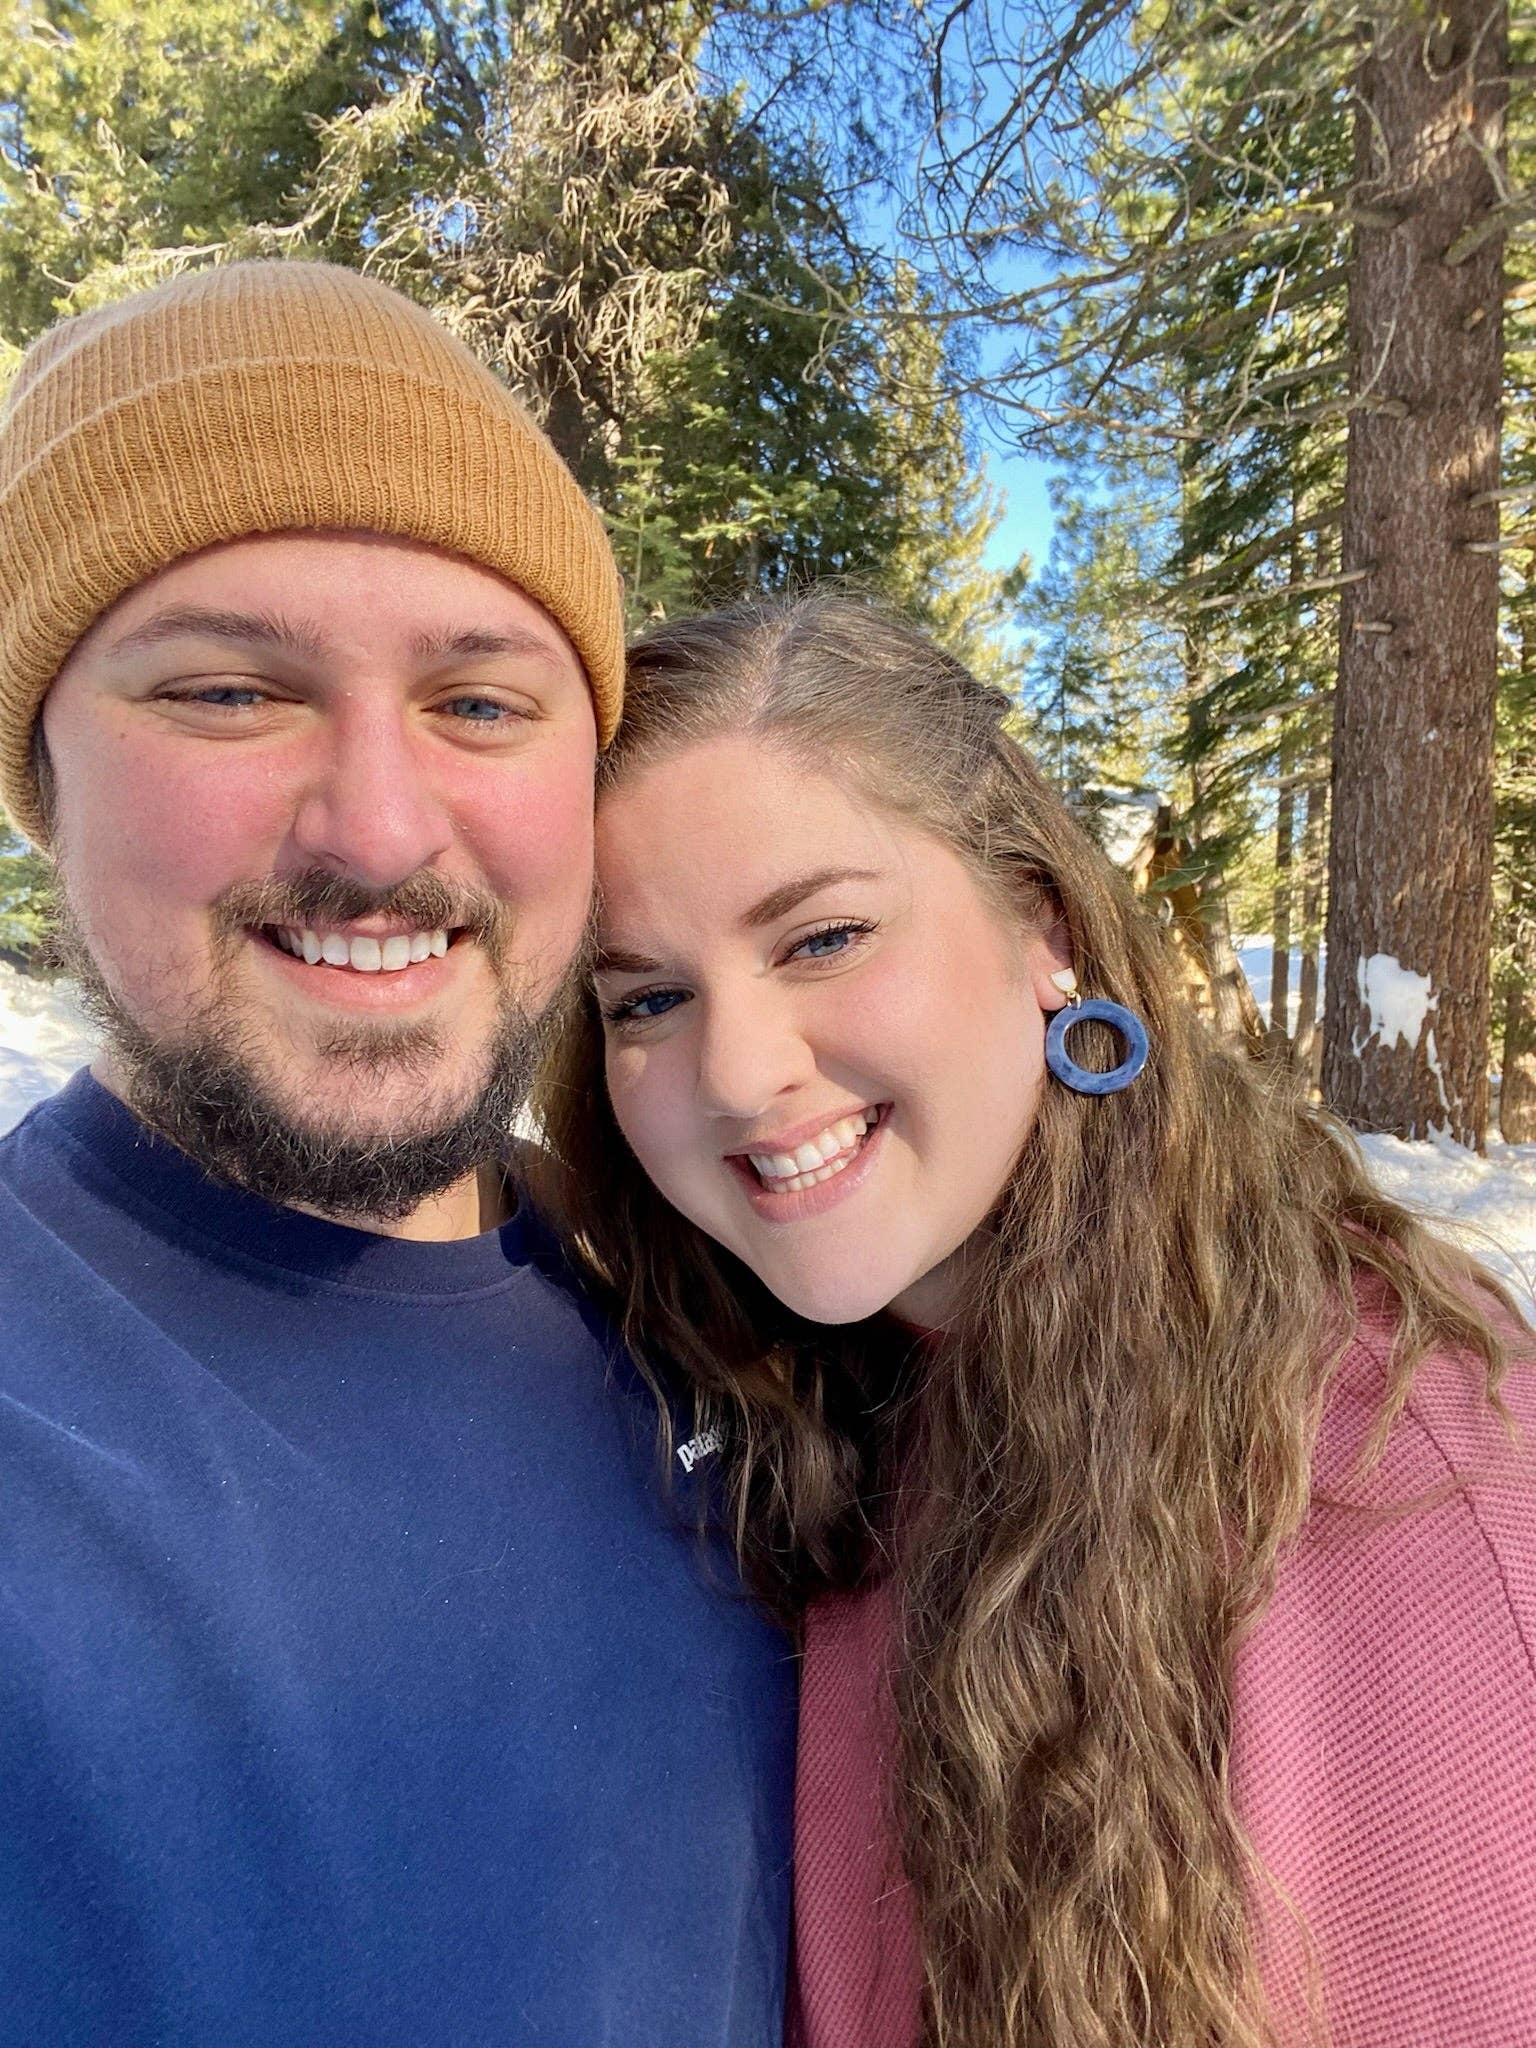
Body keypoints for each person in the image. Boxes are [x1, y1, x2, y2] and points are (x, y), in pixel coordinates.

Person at [530, 591, 1536, 2048]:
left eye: (821, 939)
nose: (739, 1072)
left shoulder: (1400, 1465)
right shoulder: (745, 1401)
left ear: (1042, 930)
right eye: (647, 1001)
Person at [0, 262, 795, 2047]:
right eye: (224, 693)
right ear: (43, 774)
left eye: (482, 703)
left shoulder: (751, 1296)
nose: (376, 826)